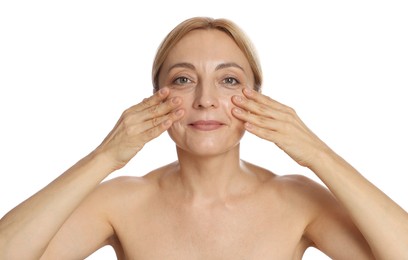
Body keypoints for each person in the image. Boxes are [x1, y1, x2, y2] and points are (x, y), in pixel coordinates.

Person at [0, 16, 407, 260]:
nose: (206, 100)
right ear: (155, 97)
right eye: (183, 80)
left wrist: (318, 154)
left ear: (258, 99)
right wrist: (105, 157)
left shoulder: (297, 200)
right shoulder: (122, 201)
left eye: (228, 80)